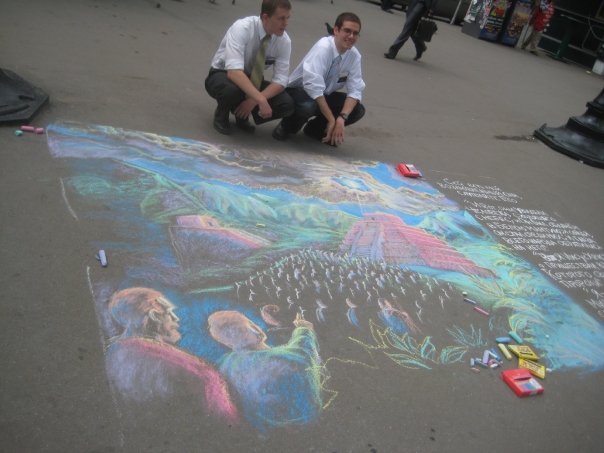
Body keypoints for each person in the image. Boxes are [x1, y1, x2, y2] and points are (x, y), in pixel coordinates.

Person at [105, 287, 239, 424]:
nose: (176, 318)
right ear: (154, 316)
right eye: (169, 312)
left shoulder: (112, 353)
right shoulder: (200, 374)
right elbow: (227, 423)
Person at [208, 310, 323, 431]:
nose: (256, 329)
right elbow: (301, 357)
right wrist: (304, 330)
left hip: (259, 431)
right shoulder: (274, 360)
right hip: (292, 427)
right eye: (245, 328)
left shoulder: (224, 363)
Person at [272, 12, 366, 147]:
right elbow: (314, 88)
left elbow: (355, 90)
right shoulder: (323, 48)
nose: (351, 36)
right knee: (308, 105)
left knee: (357, 109)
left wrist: (341, 118)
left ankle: (315, 130)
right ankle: (287, 126)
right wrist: (331, 119)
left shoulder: (354, 56)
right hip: (299, 91)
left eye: (355, 33)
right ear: (336, 30)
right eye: (347, 31)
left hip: (324, 94)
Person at [205, 0, 294, 135]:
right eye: (281, 18)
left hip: (252, 78)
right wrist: (261, 99)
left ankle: (242, 113)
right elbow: (234, 72)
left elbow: (281, 81)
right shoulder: (242, 28)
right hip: (223, 73)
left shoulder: (284, 41)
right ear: (265, 17)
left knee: (286, 104)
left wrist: (254, 100)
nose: (286, 23)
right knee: (231, 91)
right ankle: (222, 113)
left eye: (287, 18)